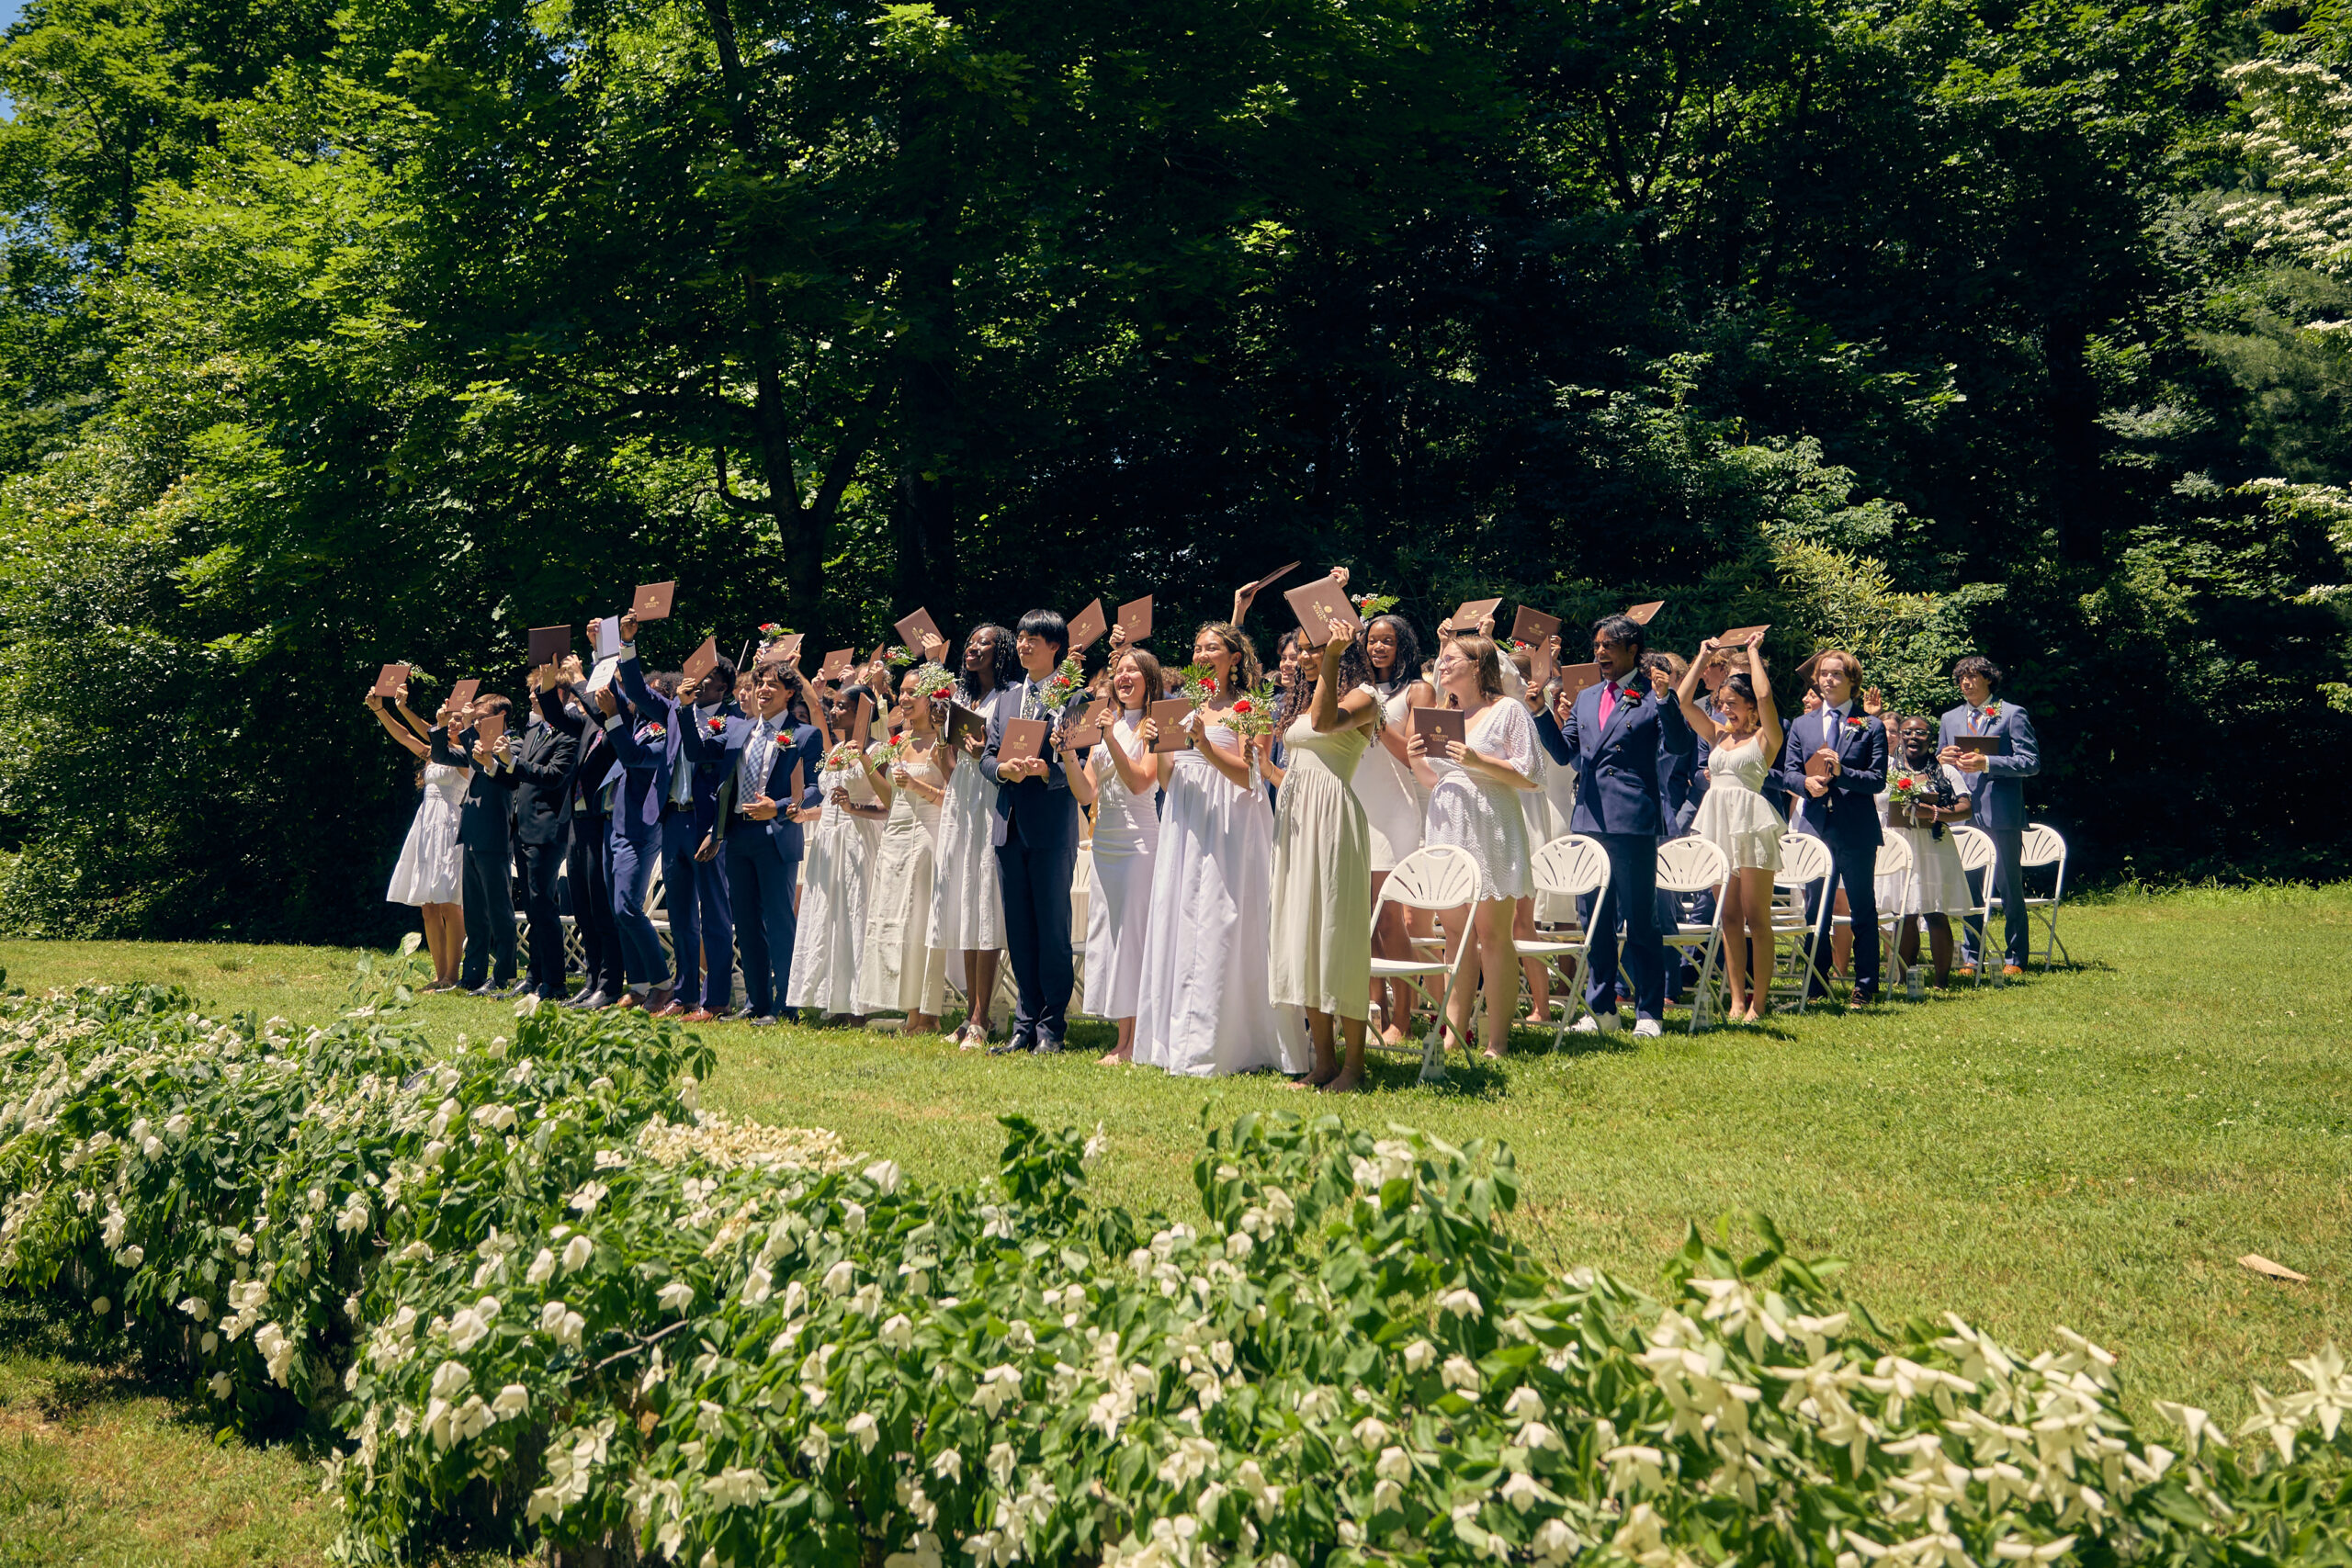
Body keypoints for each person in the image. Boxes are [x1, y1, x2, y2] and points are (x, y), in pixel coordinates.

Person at [1134, 622, 1299, 1077]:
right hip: (1186, 818)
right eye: (1197, 647)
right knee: (1182, 914)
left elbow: (1251, 776)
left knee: (1225, 919)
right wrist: (1158, 747)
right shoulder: (1178, 706)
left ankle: (1229, 1042)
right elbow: (1167, 779)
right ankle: (1175, 1039)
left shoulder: (1254, 708)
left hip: (1233, 820)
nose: (1202, 654)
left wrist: (1203, 744)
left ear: (1235, 657)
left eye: (1212, 648)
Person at [1534, 614, 1691, 1036]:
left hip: (1631, 819)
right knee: (1595, 918)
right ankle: (1601, 1008)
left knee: (1641, 920)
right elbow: (1567, 753)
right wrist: (1539, 713)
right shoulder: (1586, 699)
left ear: (1632, 651)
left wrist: (1665, 699)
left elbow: (1680, 746)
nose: (1600, 653)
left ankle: (1648, 1013)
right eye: (1597, 645)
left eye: (1609, 646)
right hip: (1588, 817)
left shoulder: (1649, 695)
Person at [1408, 633, 1540, 1059]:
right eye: (1440, 660)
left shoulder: (1508, 711)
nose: (1441, 666)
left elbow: (1530, 774)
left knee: (1492, 934)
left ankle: (1498, 1041)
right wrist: (1415, 759)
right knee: (1454, 935)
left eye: (1450, 660)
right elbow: (1435, 779)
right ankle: (1452, 1034)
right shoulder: (1444, 714)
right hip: (1448, 824)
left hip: (1490, 823)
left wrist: (1478, 762)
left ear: (1478, 665)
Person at [1270, 617, 1382, 1090]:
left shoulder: (1364, 697)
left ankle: (1355, 1066)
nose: (1304, 658)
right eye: (1301, 650)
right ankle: (1323, 1061)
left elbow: (1323, 724)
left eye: (1312, 650)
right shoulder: (1302, 698)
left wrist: (1334, 655)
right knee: (1302, 936)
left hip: (1333, 820)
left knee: (1337, 938)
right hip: (1295, 823)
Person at [979, 610, 1091, 1055]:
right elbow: (988, 756)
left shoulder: (1074, 697)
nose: (1024, 645)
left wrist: (1050, 771)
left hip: (1050, 828)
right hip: (1008, 827)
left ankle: (1051, 1028)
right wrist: (1001, 769)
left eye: (1035, 639)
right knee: (1020, 931)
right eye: (1022, 638)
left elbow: (1080, 762)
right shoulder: (1005, 698)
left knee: (1052, 930)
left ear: (1056, 648)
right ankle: (1023, 1026)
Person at [620, 644, 741, 1020]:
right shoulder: (674, 710)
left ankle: (716, 997)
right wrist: (627, 646)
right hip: (673, 818)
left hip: (707, 825)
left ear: (724, 688)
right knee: (681, 914)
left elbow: (705, 755)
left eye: (710, 681)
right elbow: (639, 692)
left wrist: (716, 831)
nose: (700, 684)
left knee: (715, 914)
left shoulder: (733, 720)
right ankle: (685, 992)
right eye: (697, 678)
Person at [1675, 637, 1785, 1021]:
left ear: (1751, 708)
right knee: (1728, 917)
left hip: (1751, 826)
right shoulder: (1718, 735)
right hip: (1717, 825)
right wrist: (1702, 654)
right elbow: (1684, 701)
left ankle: (1760, 1002)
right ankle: (1737, 999)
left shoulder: (1765, 738)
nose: (1725, 711)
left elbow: (1767, 696)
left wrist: (1752, 653)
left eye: (1733, 705)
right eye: (1722, 705)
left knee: (1758, 917)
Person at [923, 623, 1019, 1047]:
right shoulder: (960, 698)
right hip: (961, 798)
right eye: (971, 642)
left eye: (985, 643)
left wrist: (982, 753)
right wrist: (942, 729)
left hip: (990, 799)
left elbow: (1004, 758)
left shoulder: (1010, 695)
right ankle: (967, 1017)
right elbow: (949, 766)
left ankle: (982, 1017)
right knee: (964, 903)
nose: (973, 648)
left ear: (1000, 653)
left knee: (984, 902)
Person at [1776, 649, 1888, 1004]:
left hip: (1855, 828)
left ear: (1852, 681)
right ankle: (1815, 985)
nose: (1828, 679)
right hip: (1815, 827)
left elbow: (1877, 780)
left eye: (1836, 674)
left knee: (1861, 908)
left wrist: (1842, 774)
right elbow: (1789, 772)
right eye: (1823, 673)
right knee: (1815, 911)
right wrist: (1804, 784)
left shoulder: (1870, 724)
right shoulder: (1802, 724)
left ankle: (1866, 984)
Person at [1069, 642, 1163, 1065]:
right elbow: (1087, 791)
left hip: (1139, 842)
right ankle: (1122, 1038)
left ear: (1149, 681)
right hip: (1105, 841)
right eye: (1119, 672)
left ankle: (1135, 1040)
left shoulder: (1151, 727)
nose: (1123, 678)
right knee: (1111, 938)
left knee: (1134, 939)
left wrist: (1111, 738)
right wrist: (1069, 754)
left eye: (1133, 672)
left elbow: (1142, 782)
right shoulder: (1103, 725)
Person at [719, 658, 825, 1023]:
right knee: (746, 923)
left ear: (790, 693)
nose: (762, 690)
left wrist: (778, 807)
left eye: (771, 686)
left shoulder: (803, 735)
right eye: (759, 683)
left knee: (779, 923)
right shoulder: (742, 732)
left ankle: (788, 1005)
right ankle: (756, 1001)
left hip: (776, 836)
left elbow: (816, 790)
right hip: (738, 835)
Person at [856, 664, 951, 1032]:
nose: (906, 699)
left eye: (914, 693)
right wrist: (867, 763)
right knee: (895, 921)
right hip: (896, 835)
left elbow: (951, 799)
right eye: (904, 692)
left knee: (921, 920)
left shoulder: (943, 743)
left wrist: (915, 785)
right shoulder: (899, 742)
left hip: (928, 834)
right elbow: (890, 798)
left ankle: (927, 1014)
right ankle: (909, 1007)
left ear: (932, 698)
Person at [1354, 613, 1433, 1044]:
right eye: (1372, 641)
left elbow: (1414, 757)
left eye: (1387, 641)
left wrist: (1378, 722)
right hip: (1358, 807)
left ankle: (1402, 1020)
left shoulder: (1417, 690)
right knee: (1362, 922)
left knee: (1389, 922)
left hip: (1394, 811)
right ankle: (1373, 1014)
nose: (1378, 648)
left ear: (1403, 645)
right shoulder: (1360, 691)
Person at [1938, 655, 2041, 976]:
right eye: (1961, 679)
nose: (1965, 683)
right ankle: (1971, 957)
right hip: (1963, 813)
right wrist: (1943, 758)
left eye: (1971, 677)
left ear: (1988, 679)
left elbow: (2031, 762)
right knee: (1968, 889)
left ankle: (2015, 958)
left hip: (2001, 814)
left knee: (2008, 886)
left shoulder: (2011, 714)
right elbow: (1940, 771)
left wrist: (1988, 764)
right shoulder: (1949, 719)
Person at [786, 705, 889, 1024]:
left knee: (854, 917)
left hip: (858, 840)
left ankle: (860, 1005)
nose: (834, 711)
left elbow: (889, 806)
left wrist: (855, 807)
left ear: (862, 713)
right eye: (834, 705)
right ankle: (835, 1001)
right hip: (828, 841)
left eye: (843, 706)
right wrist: (805, 815)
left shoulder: (878, 750)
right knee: (828, 919)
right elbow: (831, 805)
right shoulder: (837, 750)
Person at [370, 680, 468, 990]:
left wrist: (423, 718)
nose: (451, 722)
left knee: (449, 902)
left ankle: (453, 975)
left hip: (450, 825)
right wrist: (384, 710)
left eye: (457, 719)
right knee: (428, 905)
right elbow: (404, 735)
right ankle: (439, 976)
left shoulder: (466, 754)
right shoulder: (433, 751)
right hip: (425, 825)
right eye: (449, 717)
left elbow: (427, 729)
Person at [1880, 713, 1974, 986]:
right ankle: (1906, 977)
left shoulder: (1946, 772)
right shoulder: (1888, 770)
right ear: (1899, 737)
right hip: (1899, 844)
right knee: (1904, 913)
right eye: (1907, 732)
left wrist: (1933, 812)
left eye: (1920, 733)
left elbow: (1965, 807)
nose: (1912, 738)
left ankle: (1941, 980)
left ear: (1930, 739)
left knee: (1935, 911)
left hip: (1934, 846)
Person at [439, 692, 522, 997]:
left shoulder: (511, 745)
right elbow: (444, 755)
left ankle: (503, 977)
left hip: (495, 837)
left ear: (499, 719)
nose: (476, 722)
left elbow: (507, 774)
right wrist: (442, 725)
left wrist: (469, 724)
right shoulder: (476, 748)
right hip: (473, 835)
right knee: (475, 913)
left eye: (482, 717)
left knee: (499, 912)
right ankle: (472, 976)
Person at [507, 666, 582, 1001]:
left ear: (560, 693)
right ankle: (534, 973)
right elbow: (519, 774)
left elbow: (553, 775)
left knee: (543, 905)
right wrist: (496, 764)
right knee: (534, 905)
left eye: (539, 690)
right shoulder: (535, 731)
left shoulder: (568, 733)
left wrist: (512, 763)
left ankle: (555, 980)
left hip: (547, 829)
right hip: (523, 829)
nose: (532, 696)